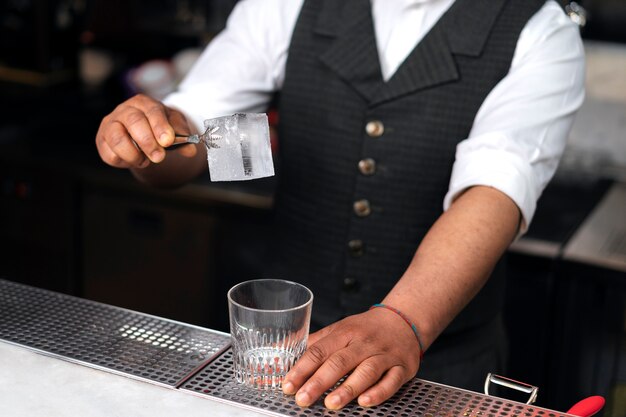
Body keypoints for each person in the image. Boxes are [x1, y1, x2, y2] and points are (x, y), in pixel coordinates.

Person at [95, 0, 585, 410]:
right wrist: (146, 136)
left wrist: (403, 321)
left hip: (445, 370)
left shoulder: (542, 31)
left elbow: (494, 191)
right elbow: (199, 131)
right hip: (279, 357)